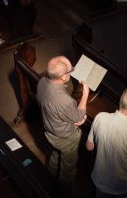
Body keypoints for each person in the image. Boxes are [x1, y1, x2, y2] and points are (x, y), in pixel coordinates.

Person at [36, 56, 89, 185]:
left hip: (50, 132)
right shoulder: (64, 101)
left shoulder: (42, 81)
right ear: (63, 77)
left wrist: (67, 118)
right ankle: (64, 193)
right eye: (70, 70)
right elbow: (78, 116)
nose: (72, 71)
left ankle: (50, 177)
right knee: (68, 167)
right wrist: (85, 94)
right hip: (65, 138)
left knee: (55, 154)